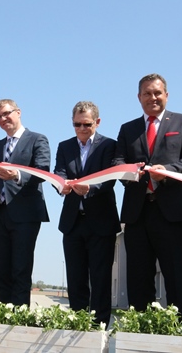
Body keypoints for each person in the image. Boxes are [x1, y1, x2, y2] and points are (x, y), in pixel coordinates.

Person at [113, 73, 182, 318]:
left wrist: (168, 172)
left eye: (157, 93)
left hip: (173, 211)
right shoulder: (128, 129)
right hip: (137, 212)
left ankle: (179, 328)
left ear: (166, 95)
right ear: (139, 97)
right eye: (147, 93)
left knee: (175, 275)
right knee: (138, 276)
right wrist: (131, 172)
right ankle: (141, 326)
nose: (152, 97)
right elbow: (118, 161)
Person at [54, 101, 119, 326]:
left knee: (100, 279)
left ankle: (99, 327)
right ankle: (78, 326)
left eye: (87, 124)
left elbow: (110, 178)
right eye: (77, 124)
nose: (81, 128)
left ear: (97, 122)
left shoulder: (109, 145)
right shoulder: (64, 146)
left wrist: (90, 188)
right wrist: (60, 185)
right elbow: (59, 172)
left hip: (101, 222)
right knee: (75, 278)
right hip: (72, 222)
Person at [0, 99, 50, 306]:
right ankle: (4, 314)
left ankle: (19, 317)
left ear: (18, 112)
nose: (3, 119)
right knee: (2, 270)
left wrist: (17, 175)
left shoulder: (37, 139)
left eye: (6, 114)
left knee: (20, 269)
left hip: (25, 214)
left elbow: (43, 170)